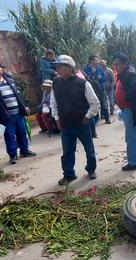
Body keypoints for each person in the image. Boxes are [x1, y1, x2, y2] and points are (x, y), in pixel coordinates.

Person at [50, 55, 100, 185]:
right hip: (66, 125)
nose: (57, 69)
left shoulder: (83, 84)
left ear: (69, 68)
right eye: (57, 67)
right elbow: (53, 103)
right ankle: (69, 174)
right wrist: (57, 118)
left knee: (89, 149)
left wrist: (87, 116)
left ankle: (91, 169)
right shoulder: (56, 83)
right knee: (67, 151)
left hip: (82, 124)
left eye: (60, 66)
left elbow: (95, 103)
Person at [0, 59, 35, 164]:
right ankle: (13, 155)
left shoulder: (9, 79)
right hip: (4, 115)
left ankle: (24, 150)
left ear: (1, 68)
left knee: (22, 133)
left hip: (18, 113)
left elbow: (18, 95)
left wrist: (24, 106)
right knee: (9, 135)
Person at [112, 52, 136, 171]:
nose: (115, 67)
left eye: (117, 64)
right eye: (114, 64)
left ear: (125, 64)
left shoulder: (129, 73)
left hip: (130, 109)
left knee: (131, 137)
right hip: (128, 109)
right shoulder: (124, 73)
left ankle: (133, 163)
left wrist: (125, 97)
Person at [84, 55, 110, 124]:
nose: (97, 61)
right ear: (91, 61)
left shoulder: (100, 68)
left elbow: (105, 78)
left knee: (104, 104)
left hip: (101, 89)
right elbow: (85, 80)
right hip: (93, 91)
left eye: (97, 60)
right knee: (95, 105)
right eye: (96, 60)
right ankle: (96, 120)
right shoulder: (86, 69)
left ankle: (107, 118)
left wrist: (100, 77)